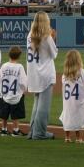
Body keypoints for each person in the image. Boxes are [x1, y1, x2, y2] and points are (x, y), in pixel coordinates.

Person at [26, 12, 58, 140]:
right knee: (43, 105)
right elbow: (54, 54)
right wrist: (53, 38)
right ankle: (39, 132)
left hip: (33, 72)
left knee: (37, 103)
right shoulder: (47, 37)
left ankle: (33, 131)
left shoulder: (30, 35)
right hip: (45, 73)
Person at [59, 49, 84, 144]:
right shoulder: (80, 71)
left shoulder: (65, 73)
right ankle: (79, 138)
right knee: (79, 117)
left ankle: (67, 137)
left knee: (67, 115)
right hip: (80, 99)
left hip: (68, 100)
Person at [0, 46, 27, 137]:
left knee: (4, 114)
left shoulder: (4, 66)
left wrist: (0, 91)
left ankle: (4, 129)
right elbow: (23, 82)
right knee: (15, 115)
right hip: (16, 95)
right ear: (19, 56)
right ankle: (15, 130)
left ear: (9, 54)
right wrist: (24, 90)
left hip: (5, 95)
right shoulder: (20, 67)